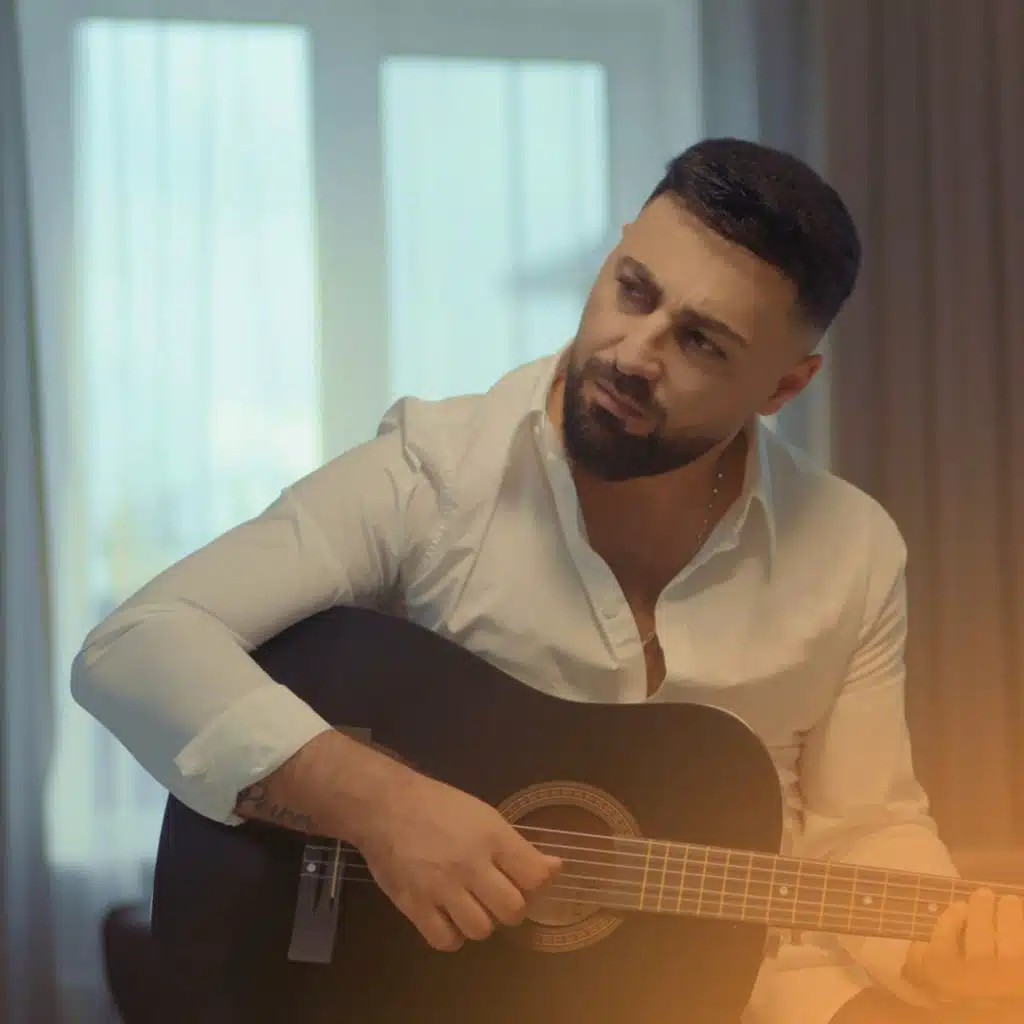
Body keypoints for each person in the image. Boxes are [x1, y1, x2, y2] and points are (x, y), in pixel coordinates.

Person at [72, 138, 1023, 1024]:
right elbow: (136, 644)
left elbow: (864, 830)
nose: (632, 354)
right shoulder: (434, 474)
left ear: (784, 387)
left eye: (702, 343)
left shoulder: (853, 548)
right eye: (633, 289)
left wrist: (937, 955)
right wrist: (381, 805)